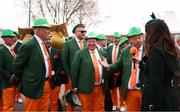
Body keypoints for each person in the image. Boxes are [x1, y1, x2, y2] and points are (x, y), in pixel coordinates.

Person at [100, 27, 144, 111]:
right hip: (130, 91)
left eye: (139, 37)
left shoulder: (149, 50)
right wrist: (108, 66)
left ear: (143, 37)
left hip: (145, 90)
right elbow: (117, 66)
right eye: (135, 38)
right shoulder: (125, 51)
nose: (138, 40)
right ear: (130, 40)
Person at [140, 19, 180, 111]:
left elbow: (156, 81)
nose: (146, 36)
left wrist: (153, 105)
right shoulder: (169, 49)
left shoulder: (156, 51)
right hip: (169, 96)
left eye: (147, 32)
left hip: (159, 100)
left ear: (153, 34)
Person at [14, 18, 52, 111]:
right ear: (37, 30)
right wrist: (26, 81)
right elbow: (17, 66)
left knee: (43, 109)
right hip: (33, 86)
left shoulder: (44, 44)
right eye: (46, 28)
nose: (49, 31)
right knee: (32, 109)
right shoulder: (28, 45)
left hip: (46, 83)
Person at [71, 32, 108, 111]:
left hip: (100, 87)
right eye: (89, 41)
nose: (91, 43)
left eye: (93, 41)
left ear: (97, 42)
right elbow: (74, 71)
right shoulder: (79, 54)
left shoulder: (103, 53)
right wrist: (75, 86)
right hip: (85, 88)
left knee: (100, 108)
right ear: (86, 42)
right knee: (87, 108)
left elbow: (106, 68)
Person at [62, 23, 86, 111]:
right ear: (76, 32)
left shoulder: (87, 43)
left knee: (84, 97)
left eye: (85, 31)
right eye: (82, 31)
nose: (84, 33)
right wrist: (69, 74)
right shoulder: (68, 44)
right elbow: (64, 60)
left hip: (84, 77)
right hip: (72, 76)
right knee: (71, 97)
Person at [0, 29, 16, 111]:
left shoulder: (11, 50)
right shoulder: (2, 51)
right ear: (4, 39)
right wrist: (10, 77)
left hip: (12, 83)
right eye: (10, 37)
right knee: (8, 106)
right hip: (7, 83)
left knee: (9, 105)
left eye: (13, 37)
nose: (13, 39)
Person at [46, 35, 63, 111]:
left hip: (55, 81)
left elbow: (60, 65)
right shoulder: (39, 52)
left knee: (54, 101)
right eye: (46, 40)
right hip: (44, 81)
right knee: (44, 102)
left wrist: (55, 75)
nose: (48, 41)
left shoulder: (57, 52)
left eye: (49, 39)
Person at [106, 32, 121, 110]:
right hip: (111, 72)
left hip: (120, 72)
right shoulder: (109, 48)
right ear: (112, 39)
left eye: (118, 38)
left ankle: (123, 105)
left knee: (121, 89)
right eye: (115, 38)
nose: (116, 40)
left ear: (120, 38)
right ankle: (114, 104)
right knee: (112, 89)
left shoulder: (122, 48)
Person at [12, 31, 23, 104]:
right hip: (10, 66)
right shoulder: (9, 45)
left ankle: (18, 96)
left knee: (18, 83)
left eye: (14, 36)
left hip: (18, 66)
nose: (13, 38)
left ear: (17, 37)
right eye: (12, 37)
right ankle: (13, 97)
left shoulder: (21, 45)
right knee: (11, 83)